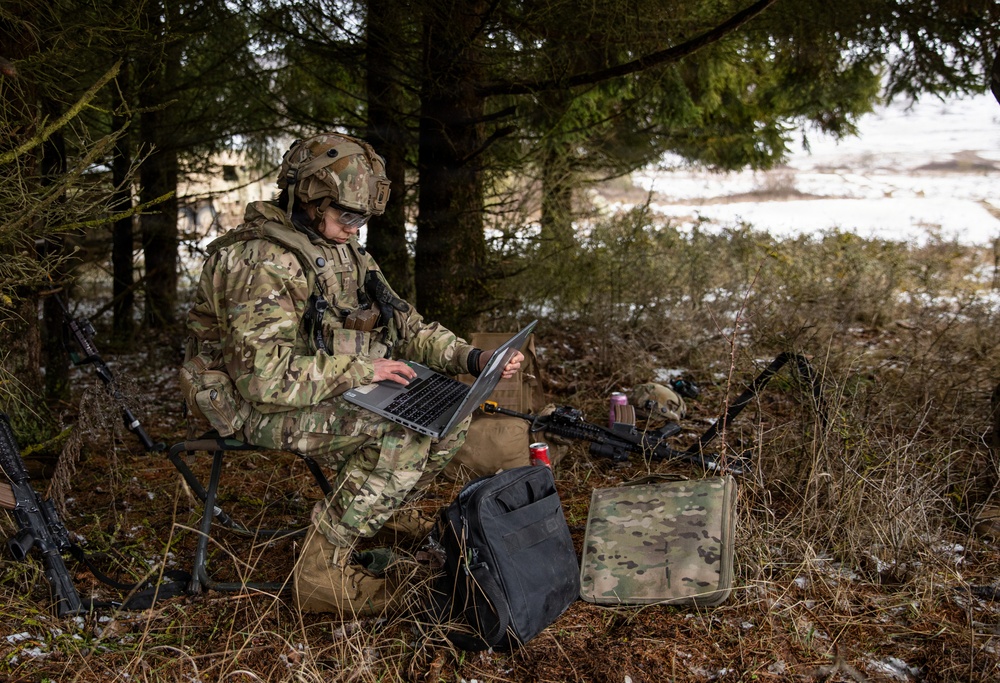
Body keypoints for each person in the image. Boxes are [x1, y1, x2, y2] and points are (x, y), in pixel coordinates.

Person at [181, 132, 523, 618]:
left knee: (450, 413)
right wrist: (363, 368)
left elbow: (403, 324)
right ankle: (322, 573)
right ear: (309, 199)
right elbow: (264, 381)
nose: (355, 229)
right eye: (347, 216)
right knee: (401, 435)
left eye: (362, 218)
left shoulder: (345, 252)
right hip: (248, 404)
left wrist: (471, 359)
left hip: (323, 385)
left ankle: (381, 508)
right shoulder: (262, 262)